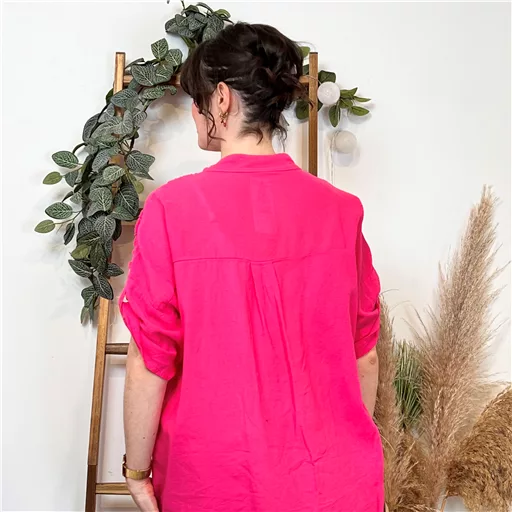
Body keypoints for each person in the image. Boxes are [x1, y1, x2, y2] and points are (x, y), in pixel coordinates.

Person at [120, 22, 384, 512]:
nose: (194, 113)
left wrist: (136, 472)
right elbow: (363, 355)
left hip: (213, 479)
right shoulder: (342, 212)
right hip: (330, 480)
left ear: (221, 99)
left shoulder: (171, 210)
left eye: (197, 100)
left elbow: (148, 361)